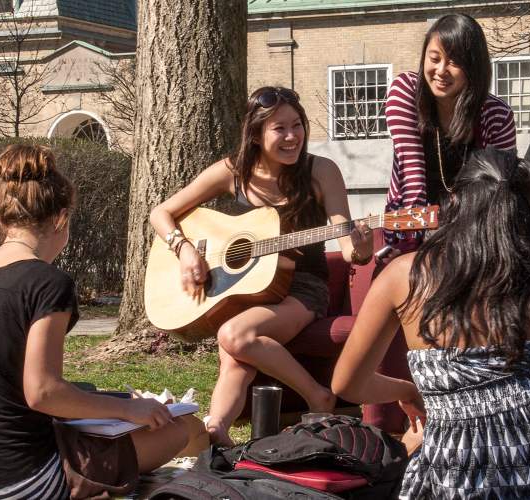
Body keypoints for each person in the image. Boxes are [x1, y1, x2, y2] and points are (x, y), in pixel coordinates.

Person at [331, 148, 530, 499]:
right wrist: (526, 380)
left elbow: (347, 384)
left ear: (454, 200)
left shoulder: (404, 276)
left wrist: (408, 391)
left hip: (455, 474)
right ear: (528, 211)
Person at [0, 144, 205, 499]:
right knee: (179, 428)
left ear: (1, 220)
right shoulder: (47, 283)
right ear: (61, 218)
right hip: (19, 480)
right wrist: (128, 409)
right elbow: (43, 391)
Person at [149, 86, 374, 445]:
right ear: (255, 133)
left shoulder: (321, 170)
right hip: (248, 290)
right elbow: (161, 213)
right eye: (279, 128)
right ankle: (217, 431)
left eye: (297, 125)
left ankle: (318, 396)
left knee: (234, 336)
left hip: (302, 291)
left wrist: (360, 248)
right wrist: (185, 249)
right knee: (237, 347)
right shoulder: (232, 171)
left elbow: (347, 241)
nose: (291, 136)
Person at [380, 13, 516, 262]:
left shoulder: (497, 115)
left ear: (474, 68)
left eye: (454, 62)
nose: (440, 71)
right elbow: (413, 181)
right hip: (411, 231)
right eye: (434, 59)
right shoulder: (405, 92)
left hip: (474, 239)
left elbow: (500, 194)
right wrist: (408, 247)